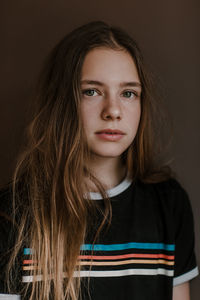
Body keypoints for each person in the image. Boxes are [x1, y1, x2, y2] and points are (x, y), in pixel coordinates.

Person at [0, 21, 198, 300]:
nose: (113, 110)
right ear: (62, 102)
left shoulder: (169, 203)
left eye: (128, 93)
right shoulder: (13, 213)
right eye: (91, 91)